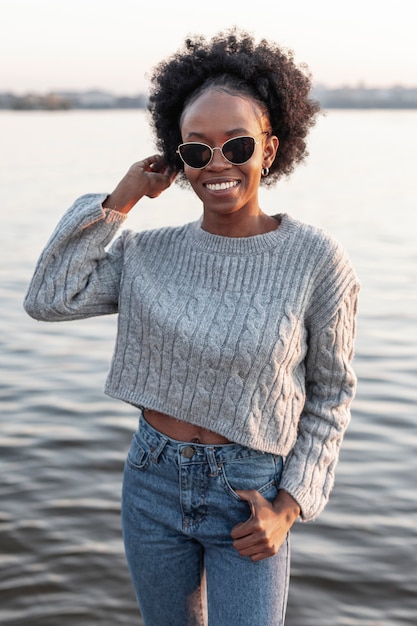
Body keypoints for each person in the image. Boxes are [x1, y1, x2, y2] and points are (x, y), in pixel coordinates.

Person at [24, 28, 360, 626]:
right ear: (178, 161)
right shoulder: (148, 254)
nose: (218, 164)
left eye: (237, 145)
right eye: (196, 151)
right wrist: (123, 197)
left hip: (251, 493)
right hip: (150, 482)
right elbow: (50, 298)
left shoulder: (316, 258)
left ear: (271, 148)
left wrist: (292, 505)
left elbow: (332, 394)